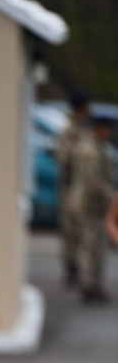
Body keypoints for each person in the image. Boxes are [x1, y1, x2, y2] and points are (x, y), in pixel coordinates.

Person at [69, 114, 116, 302]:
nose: (109, 132)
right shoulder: (90, 150)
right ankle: (89, 287)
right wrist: (113, 198)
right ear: (98, 128)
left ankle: (94, 284)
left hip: (96, 205)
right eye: (106, 128)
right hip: (89, 204)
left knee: (97, 246)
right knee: (91, 246)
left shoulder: (101, 147)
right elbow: (93, 182)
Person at [56, 90, 92, 286]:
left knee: (82, 228)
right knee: (71, 228)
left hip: (82, 185)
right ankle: (71, 267)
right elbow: (63, 158)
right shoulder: (70, 130)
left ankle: (80, 267)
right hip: (71, 185)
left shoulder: (85, 128)